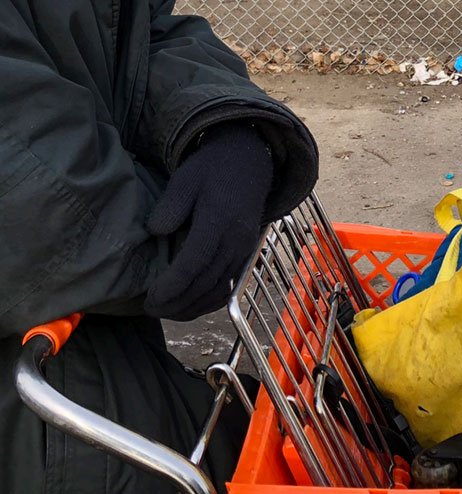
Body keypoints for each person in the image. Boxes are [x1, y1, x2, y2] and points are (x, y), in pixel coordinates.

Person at [0, 1, 318, 493]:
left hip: (101, 360)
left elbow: (134, 35)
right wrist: (193, 233)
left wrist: (221, 124)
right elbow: (40, 208)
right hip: (42, 407)